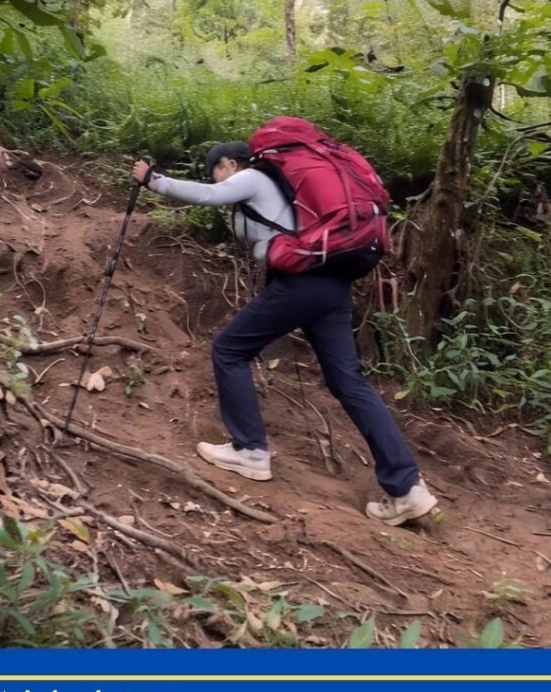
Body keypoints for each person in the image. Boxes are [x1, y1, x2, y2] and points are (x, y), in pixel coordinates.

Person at [130, 141, 438, 526]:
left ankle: (250, 451)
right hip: (332, 285)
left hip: (301, 284)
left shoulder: (253, 177)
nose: (219, 179)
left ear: (229, 164)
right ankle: (407, 488)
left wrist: (153, 180)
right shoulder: (284, 187)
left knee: (228, 349)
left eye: (217, 171)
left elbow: (210, 195)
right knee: (349, 382)